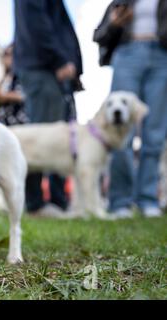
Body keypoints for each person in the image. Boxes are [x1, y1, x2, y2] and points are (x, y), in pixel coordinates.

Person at [94, 0, 167, 218]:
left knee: (154, 132)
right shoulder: (121, 0)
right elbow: (100, 34)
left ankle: (147, 199)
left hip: (163, 57)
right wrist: (115, 23)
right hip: (127, 54)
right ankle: (120, 202)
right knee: (120, 131)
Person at [13, 0, 83, 216]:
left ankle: (55, 201)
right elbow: (36, 22)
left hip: (50, 69)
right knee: (42, 139)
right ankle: (37, 204)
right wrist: (59, 59)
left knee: (53, 138)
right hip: (45, 67)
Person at [0, 44, 28, 126]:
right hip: (2, 124)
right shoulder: (4, 79)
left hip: (19, 124)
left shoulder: (23, 75)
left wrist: (5, 96)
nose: (7, 58)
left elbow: (26, 96)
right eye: (6, 54)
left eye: (11, 54)